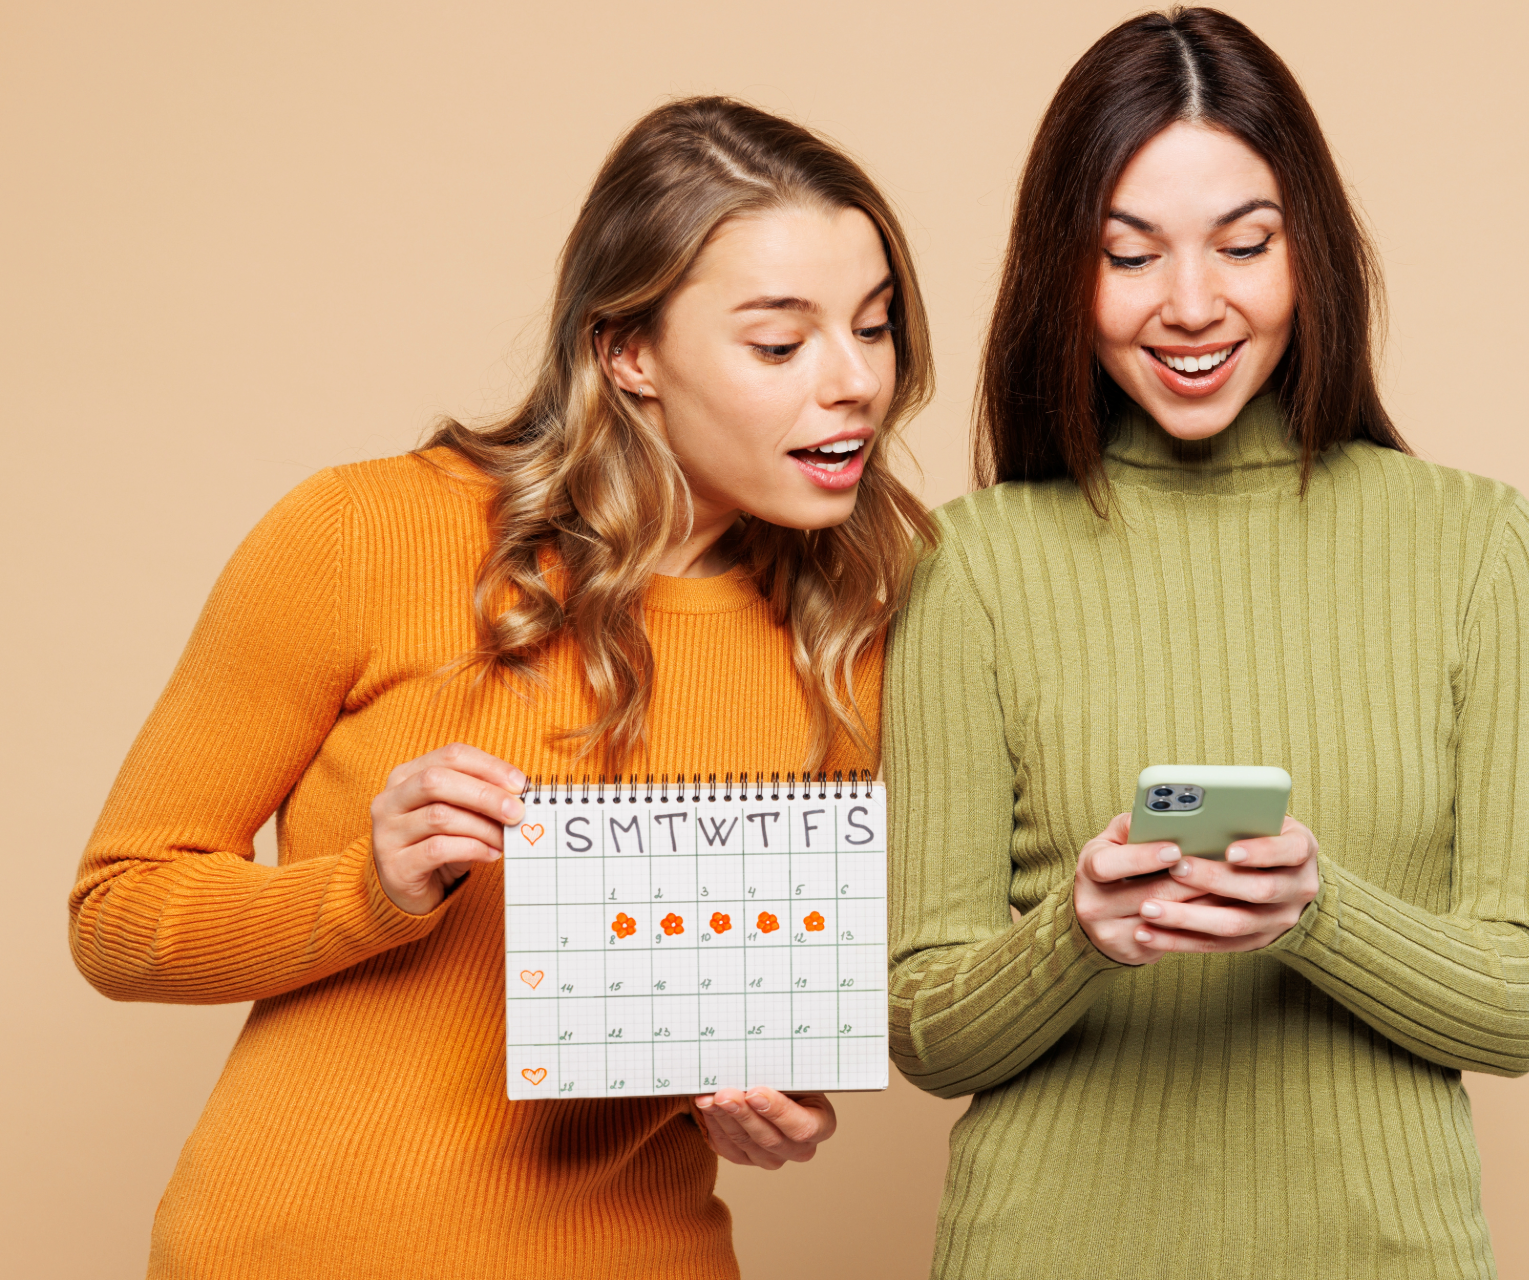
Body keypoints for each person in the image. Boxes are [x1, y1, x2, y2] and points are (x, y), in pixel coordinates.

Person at [70, 96, 934, 1279]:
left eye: (875, 326)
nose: (854, 384)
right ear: (625, 352)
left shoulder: (865, 623)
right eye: (780, 344)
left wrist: (770, 1091)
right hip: (295, 1251)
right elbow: (116, 916)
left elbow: (762, 1011)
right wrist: (364, 889)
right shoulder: (364, 532)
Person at [884, 9, 1529, 1278]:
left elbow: (1525, 1002)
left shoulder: (1477, 543)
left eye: (1243, 245)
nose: (1190, 306)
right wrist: (1075, 936)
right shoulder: (965, 562)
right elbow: (923, 1027)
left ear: (1307, 246)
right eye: (1128, 255)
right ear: (1060, 273)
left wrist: (1316, 910)